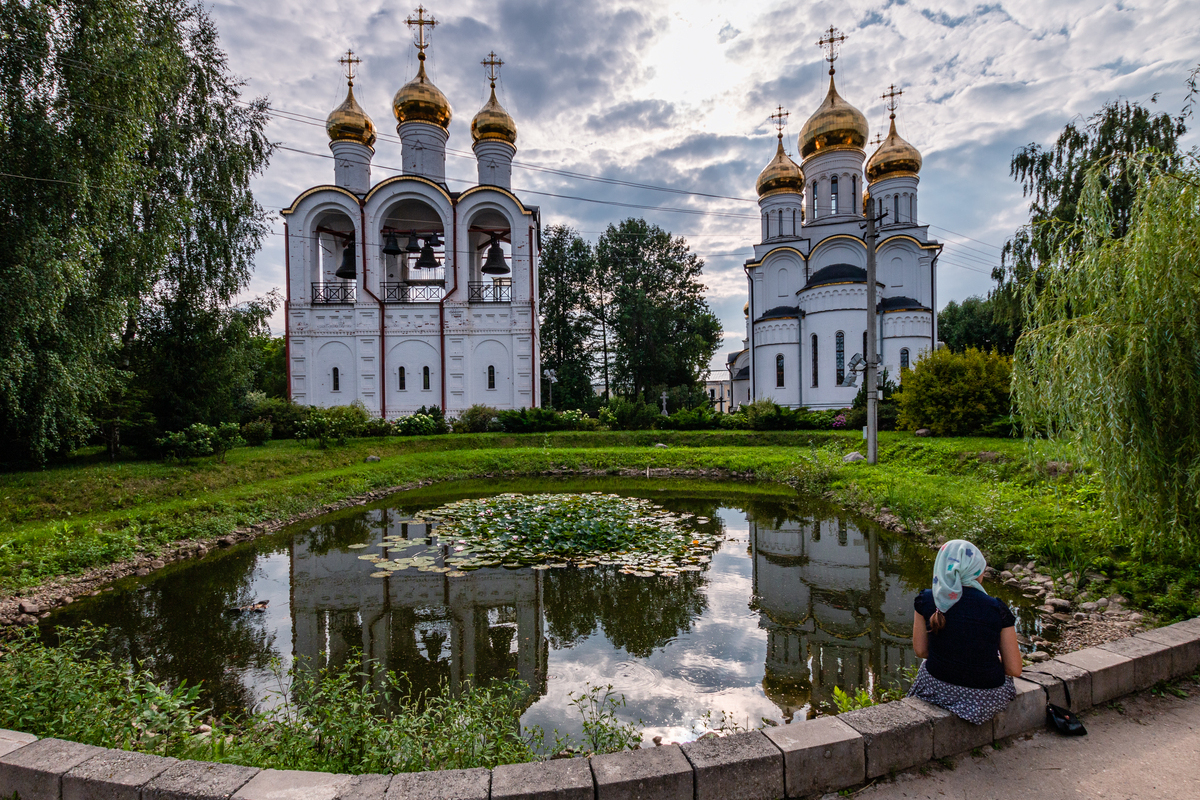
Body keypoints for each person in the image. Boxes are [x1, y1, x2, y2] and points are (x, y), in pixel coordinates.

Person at [908, 539, 1023, 725]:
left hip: (936, 689)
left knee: (925, 667)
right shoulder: (996, 608)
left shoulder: (927, 599)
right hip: (986, 697)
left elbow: (921, 651)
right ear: (975, 572)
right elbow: (1014, 669)